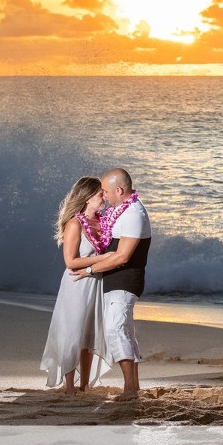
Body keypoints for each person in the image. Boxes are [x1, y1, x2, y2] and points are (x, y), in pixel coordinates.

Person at [71, 168, 152, 401]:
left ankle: (129, 389)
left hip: (126, 280)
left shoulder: (134, 213)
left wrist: (88, 270)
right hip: (114, 280)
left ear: (119, 190)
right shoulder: (119, 211)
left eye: (106, 191)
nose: (103, 195)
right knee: (123, 330)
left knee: (115, 329)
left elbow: (122, 256)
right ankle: (133, 386)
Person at [40, 177, 114, 395]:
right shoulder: (75, 224)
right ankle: (70, 384)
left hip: (97, 283)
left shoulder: (103, 222)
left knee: (89, 334)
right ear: (88, 197)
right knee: (72, 332)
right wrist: (104, 259)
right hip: (77, 284)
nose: (105, 197)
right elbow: (70, 262)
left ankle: (85, 384)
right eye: (101, 194)